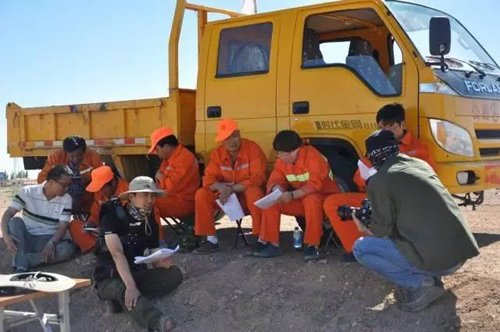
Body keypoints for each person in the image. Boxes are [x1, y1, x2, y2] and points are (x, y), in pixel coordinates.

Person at [352, 130, 479, 312]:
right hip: (460, 253)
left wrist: (363, 225)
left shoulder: (380, 180)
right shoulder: (420, 165)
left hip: (442, 262)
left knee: (361, 248)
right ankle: (429, 272)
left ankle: (422, 282)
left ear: (372, 157)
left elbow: (382, 231)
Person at [323, 103, 436, 262]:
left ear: (402, 124)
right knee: (332, 203)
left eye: (390, 127)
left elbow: (426, 180)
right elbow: (358, 177)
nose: (385, 132)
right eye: (382, 128)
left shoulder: (420, 149)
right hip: (375, 197)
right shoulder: (375, 145)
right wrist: (372, 179)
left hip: (403, 203)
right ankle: (356, 249)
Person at [93, 176, 182, 332]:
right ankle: (155, 321)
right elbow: (117, 254)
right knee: (123, 288)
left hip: (135, 273)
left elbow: (154, 256)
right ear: (132, 196)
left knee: (174, 274)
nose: (150, 199)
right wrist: (130, 286)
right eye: (145, 195)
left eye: (152, 195)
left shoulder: (150, 221)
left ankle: (121, 301)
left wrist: (162, 262)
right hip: (109, 278)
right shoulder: (113, 216)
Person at [254, 130, 341, 261]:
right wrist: (277, 190)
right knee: (272, 202)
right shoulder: (282, 160)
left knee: (312, 200)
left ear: (294, 151)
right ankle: (271, 243)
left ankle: (312, 245)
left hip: (325, 199)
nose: (279, 157)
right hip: (300, 199)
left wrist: (292, 195)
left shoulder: (313, 157)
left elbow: (315, 184)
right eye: (278, 154)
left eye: (281, 154)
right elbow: (276, 178)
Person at [193, 119, 266, 254]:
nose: (232, 141)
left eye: (235, 136)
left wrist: (231, 189)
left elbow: (258, 178)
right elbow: (208, 179)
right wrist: (220, 187)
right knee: (202, 194)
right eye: (227, 138)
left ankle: (261, 239)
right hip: (226, 198)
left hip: (244, 197)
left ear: (239, 134)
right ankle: (211, 240)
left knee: (254, 192)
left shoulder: (253, 149)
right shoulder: (218, 153)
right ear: (221, 141)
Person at [1, 165, 75, 272]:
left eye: (69, 185)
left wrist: (51, 243)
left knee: (67, 250)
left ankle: (24, 261)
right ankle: (24, 262)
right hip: (27, 239)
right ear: (51, 182)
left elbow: (62, 227)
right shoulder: (27, 192)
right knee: (15, 222)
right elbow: (8, 214)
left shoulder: (67, 199)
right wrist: (6, 236)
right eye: (64, 185)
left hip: (48, 240)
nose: (67, 188)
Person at [69, 165, 129, 253]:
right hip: (103, 231)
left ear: (112, 182)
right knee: (74, 226)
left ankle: (107, 246)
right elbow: (95, 213)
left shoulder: (128, 190)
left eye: (102, 188)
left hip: (123, 231)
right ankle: (98, 246)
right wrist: (90, 224)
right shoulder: (99, 193)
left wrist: (109, 230)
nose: (100, 191)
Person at [37, 135, 103, 213]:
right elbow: (42, 179)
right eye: (72, 156)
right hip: (60, 199)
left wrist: (87, 178)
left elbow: (103, 179)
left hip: (87, 199)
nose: (75, 159)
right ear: (65, 153)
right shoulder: (56, 157)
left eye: (79, 156)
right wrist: (60, 184)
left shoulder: (93, 156)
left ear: (84, 152)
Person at [149, 127, 200, 219]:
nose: (156, 153)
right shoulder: (168, 158)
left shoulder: (184, 158)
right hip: (172, 199)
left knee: (148, 203)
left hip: (184, 203)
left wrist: (161, 178)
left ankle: (153, 233)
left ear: (167, 147)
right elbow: (160, 185)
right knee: (144, 200)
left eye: (157, 150)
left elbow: (170, 187)